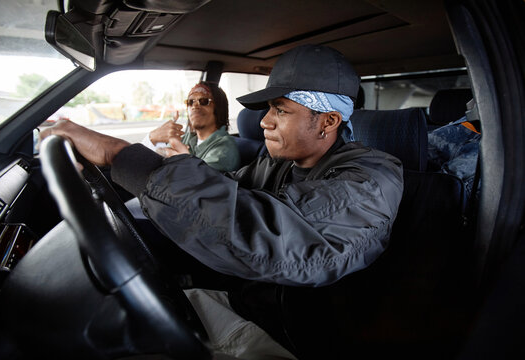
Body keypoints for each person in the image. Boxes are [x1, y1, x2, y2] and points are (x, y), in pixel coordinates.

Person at [41, 44, 404, 359]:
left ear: (327, 121)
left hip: (299, 337)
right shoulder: (277, 166)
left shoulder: (370, 180)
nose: (264, 122)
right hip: (252, 307)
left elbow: (265, 234)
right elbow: (222, 191)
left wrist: (119, 154)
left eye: (280, 110)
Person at [141, 81, 241, 172]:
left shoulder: (224, 150)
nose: (194, 106)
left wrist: (182, 159)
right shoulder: (188, 138)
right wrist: (153, 138)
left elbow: (198, 184)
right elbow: (153, 163)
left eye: (203, 101)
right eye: (190, 102)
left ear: (219, 108)